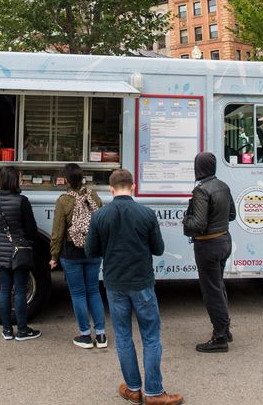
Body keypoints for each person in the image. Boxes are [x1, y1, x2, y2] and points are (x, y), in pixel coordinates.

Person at [86, 169, 183, 405]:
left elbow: (91, 251)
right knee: (150, 336)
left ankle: (132, 389)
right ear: (133, 187)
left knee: (122, 336)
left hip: (114, 283)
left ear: (110, 190)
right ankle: (154, 393)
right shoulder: (146, 214)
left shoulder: (99, 216)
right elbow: (158, 248)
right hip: (142, 282)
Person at [49, 163, 107, 349]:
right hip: (93, 251)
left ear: (65, 180)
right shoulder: (94, 196)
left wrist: (54, 256)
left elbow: (58, 232)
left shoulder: (64, 201)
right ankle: (101, 335)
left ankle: (84, 335)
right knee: (93, 291)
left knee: (78, 293)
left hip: (71, 252)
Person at [182, 152, 235, 353]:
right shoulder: (223, 186)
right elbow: (232, 214)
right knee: (219, 286)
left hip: (208, 245)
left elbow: (198, 224)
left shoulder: (201, 191)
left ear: (199, 168)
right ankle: (225, 328)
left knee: (211, 291)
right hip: (224, 241)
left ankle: (220, 336)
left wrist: (185, 220)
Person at [0, 166, 41, 341]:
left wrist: (3, 240)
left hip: (1, 249)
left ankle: (7, 330)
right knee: (19, 291)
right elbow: (31, 228)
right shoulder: (22, 201)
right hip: (20, 250)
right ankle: (23, 330)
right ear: (14, 180)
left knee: (4, 290)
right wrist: (28, 241)